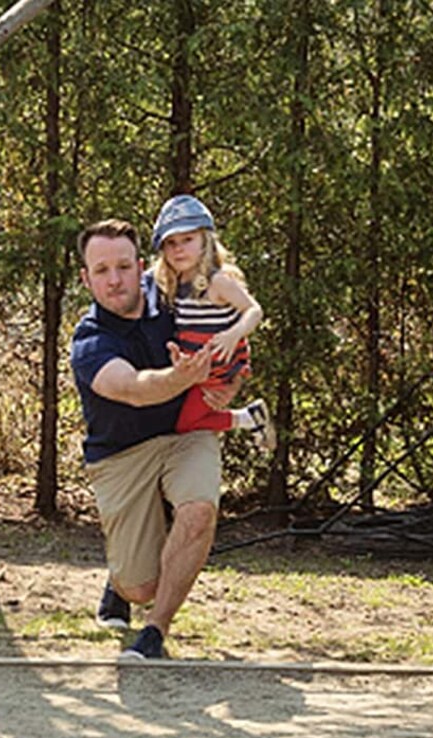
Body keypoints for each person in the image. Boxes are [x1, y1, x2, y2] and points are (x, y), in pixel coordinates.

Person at [71, 217, 236, 660]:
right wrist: (180, 378)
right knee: (140, 585)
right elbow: (136, 389)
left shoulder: (176, 295)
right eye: (101, 271)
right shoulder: (89, 342)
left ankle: (154, 634)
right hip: (122, 455)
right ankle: (121, 583)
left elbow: (230, 329)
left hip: (186, 433)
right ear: (86, 279)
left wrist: (229, 382)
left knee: (199, 510)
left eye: (123, 266)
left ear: (140, 265)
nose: (115, 279)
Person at [149, 193, 275, 455]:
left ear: (205, 241)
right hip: (196, 368)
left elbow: (254, 310)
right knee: (178, 417)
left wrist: (234, 334)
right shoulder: (175, 282)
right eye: (170, 242)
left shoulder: (217, 281)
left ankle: (249, 418)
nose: (178, 248)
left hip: (218, 366)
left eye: (187, 239)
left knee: (185, 424)